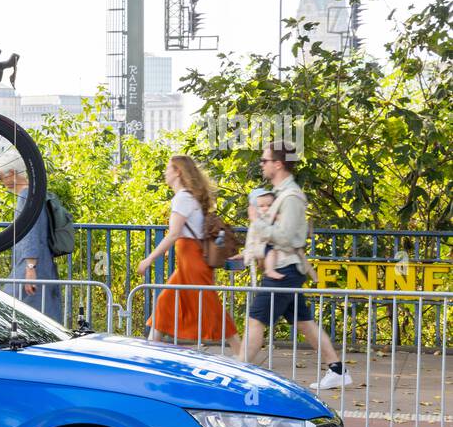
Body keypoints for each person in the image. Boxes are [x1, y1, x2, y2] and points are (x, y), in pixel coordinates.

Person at [236, 142, 350, 390]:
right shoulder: (283, 194)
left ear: (278, 164)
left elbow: (286, 237)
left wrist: (257, 223)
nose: (262, 165)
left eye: (265, 160)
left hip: (284, 270)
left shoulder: (291, 197)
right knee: (304, 322)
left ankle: (238, 373)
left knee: (256, 320)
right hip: (288, 268)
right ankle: (337, 369)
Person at [136, 155, 240, 353]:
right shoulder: (187, 197)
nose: (165, 173)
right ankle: (150, 351)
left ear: (177, 172)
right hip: (188, 260)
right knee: (165, 303)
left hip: (192, 260)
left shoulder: (183, 198)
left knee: (210, 307)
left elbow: (174, 233)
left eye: (168, 168)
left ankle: (242, 353)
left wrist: (149, 259)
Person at [0, 148, 64, 321]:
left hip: (29, 266)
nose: (1, 182)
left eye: (1, 177)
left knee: (6, 309)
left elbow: (31, 232)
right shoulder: (36, 194)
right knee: (43, 315)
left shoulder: (25, 197)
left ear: (12, 173)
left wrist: (30, 268)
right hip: (42, 265)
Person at [242, 188, 284, 280]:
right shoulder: (258, 219)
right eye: (261, 206)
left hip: (266, 244)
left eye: (269, 205)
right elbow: (251, 239)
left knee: (272, 252)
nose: (266, 208)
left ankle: (266, 268)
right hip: (260, 246)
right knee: (271, 252)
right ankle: (270, 270)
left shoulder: (269, 215)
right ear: (255, 208)